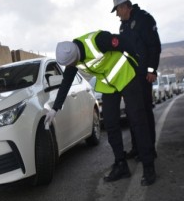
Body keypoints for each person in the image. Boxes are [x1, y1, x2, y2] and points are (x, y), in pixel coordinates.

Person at [44, 30, 156, 186]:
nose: (71, 67)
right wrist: (55, 109)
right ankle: (121, 165)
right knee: (110, 124)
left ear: (75, 56)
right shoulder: (72, 58)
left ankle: (149, 166)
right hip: (108, 85)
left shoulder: (98, 41)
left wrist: (140, 67)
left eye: (71, 64)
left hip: (126, 76)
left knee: (137, 120)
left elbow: (124, 41)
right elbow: (65, 83)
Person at [111, 0, 161, 160]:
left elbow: (154, 46)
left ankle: (149, 149)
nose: (117, 14)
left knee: (145, 112)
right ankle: (137, 148)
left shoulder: (144, 19)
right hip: (130, 77)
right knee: (133, 113)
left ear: (125, 6)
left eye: (117, 10)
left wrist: (152, 70)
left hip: (144, 75)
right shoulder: (123, 27)